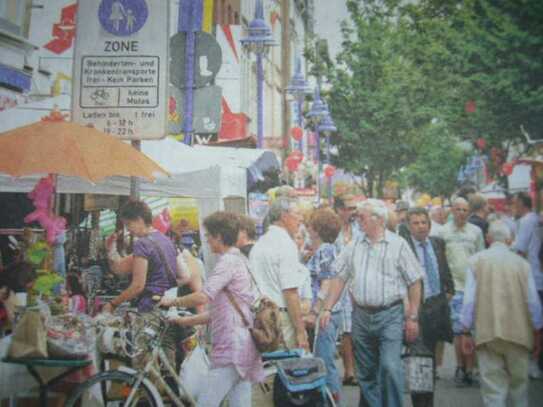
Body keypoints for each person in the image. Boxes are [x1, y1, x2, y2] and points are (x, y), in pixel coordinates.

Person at [321, 199, 423, 407]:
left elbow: (415, 281)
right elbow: (339, 277)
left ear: (378, 219)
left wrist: (413, 316)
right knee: (366, 373)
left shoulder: (398, 245)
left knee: (390, 367)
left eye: (362, 217)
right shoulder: (354, 245)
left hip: (390, 315)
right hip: (361, 315)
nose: (357, 220)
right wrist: (327, 308)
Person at [160, 211, 263, 406]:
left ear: (219, 236)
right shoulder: (239, 260)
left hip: (232, 348)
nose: (206, 240)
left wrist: (171, 302)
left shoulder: (228, 262)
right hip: (241, 347)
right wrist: (183, 320)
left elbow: (203, 296)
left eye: (208, 236)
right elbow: (217, 313)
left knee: (206, 403)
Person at [460, 221, 543, 407]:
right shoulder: (522, 264)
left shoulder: (475, 262)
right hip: (519, 335)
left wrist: (465, 331)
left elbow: (469, 301)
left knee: (493, 390)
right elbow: (533, 302)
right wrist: (538, 331)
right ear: (510, 240)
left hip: (487, 334)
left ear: (488, 239)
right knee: (520, 388)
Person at [405, 208, 455, 407]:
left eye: (423, 222)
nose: (420, 227)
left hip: (437, 306)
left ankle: (428, 401)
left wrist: (449, 291)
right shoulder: (405, 246)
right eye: (416, 223)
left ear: (429, 225)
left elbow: (445, 269)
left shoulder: (436, 243)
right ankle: (421, 402)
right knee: (418, 360)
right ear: (409, 226)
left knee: (431, 360)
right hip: (417, 308)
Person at [249, 197, 309, 350]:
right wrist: (301, 331)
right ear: (284, 216)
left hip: (260, 316)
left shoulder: (260, 243)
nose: (301, 219)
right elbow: (290, 291)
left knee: (268, 367)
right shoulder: (286, 245)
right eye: (297, 214)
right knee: (286, 366)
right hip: (280, 318)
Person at [438, 197, 485, 386]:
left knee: (471, 331)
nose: (462, 213)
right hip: (454, 288)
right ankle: (460, 367)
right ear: (452, 211)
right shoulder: (443, 233)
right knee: (458, 331)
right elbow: (440, 260)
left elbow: (482, 258)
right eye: (458, 209)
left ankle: (471, 368)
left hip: (473, 287)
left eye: (465, 210)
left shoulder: (476, 232)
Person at [305, 208, 343, 404]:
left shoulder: (325, 250)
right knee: (323, 359)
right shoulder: (323, 250)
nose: (307, 228)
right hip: (328, 313)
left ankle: (332, 400)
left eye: (310, 225)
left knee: (324, 361)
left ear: (317, 230)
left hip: (325, 314)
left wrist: (315, 311)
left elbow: (327, 283)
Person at [512, 191, 543, 379]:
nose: (512, 208)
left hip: (533, 278)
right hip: (537, 277)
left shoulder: (526, 221)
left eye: (514, 204)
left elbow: (520, 250)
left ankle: (533, 362)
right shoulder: (534, 220)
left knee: (534, 321)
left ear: (522, 204)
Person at [334, 194, 362, 386]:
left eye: (354, 208)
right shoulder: (332, 230)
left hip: (358, 282)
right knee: (346, 330)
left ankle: (358, 369)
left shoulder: (359, 229)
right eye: (349, 208)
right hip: (338, 283)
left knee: (357, 328)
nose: (353, 212)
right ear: (339, 210)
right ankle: (349, 371)